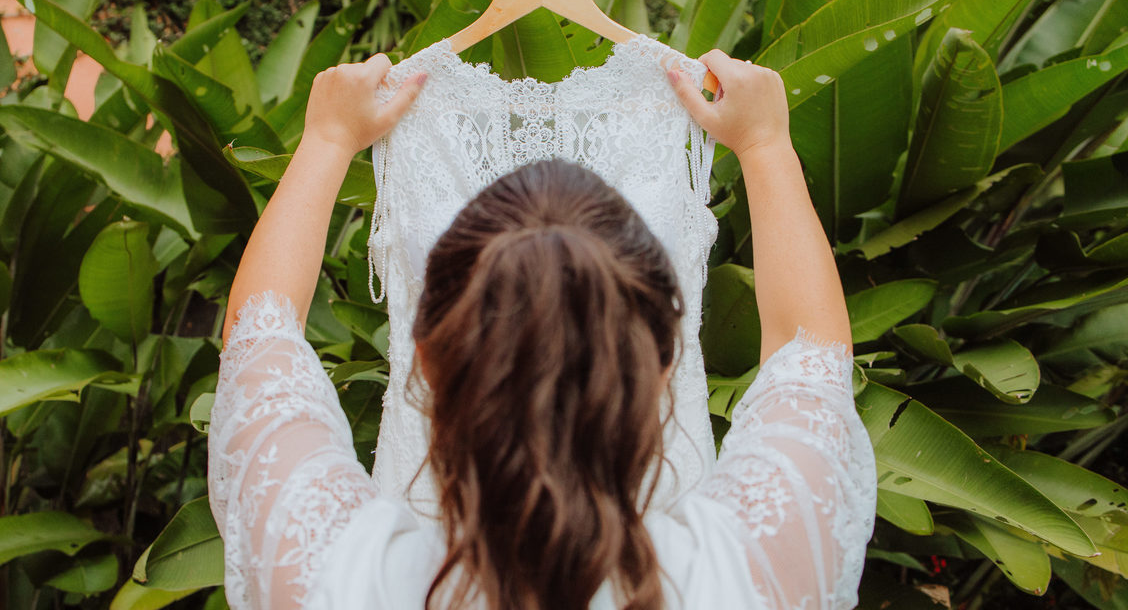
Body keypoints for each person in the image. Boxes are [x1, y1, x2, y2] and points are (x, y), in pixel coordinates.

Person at [208, 49, 877, 609]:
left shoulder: (337, 572)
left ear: (427, 360)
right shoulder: (745, 570)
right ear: (664, 364)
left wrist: (326, 139)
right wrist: (765, 145)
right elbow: (809, 355)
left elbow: (258, 340)